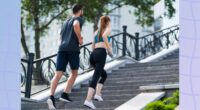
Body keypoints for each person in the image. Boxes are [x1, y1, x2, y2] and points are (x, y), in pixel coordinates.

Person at [47, 4, 84, 109]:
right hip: (72, 49)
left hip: (61, 49)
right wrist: (80, 38)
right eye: (82, 10)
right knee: (74, 72)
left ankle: (51, 97)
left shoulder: (65, 21)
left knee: (58, 74)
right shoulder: (79, 19)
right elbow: (76, 25)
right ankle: (65, 94)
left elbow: (60, 35)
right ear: (80, 11)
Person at [84, 16, 112, 109]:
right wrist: (109, 49)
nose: (110, 23)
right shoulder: (107, 29)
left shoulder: (96, 31)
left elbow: (92, 45)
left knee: (104, 75)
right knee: (95, 77)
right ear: (107, 22)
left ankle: (97, 94)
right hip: (101, 53)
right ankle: (88, 100)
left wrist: (95, 53)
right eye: (109, 21)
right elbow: (104, 36)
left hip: (93, 54)